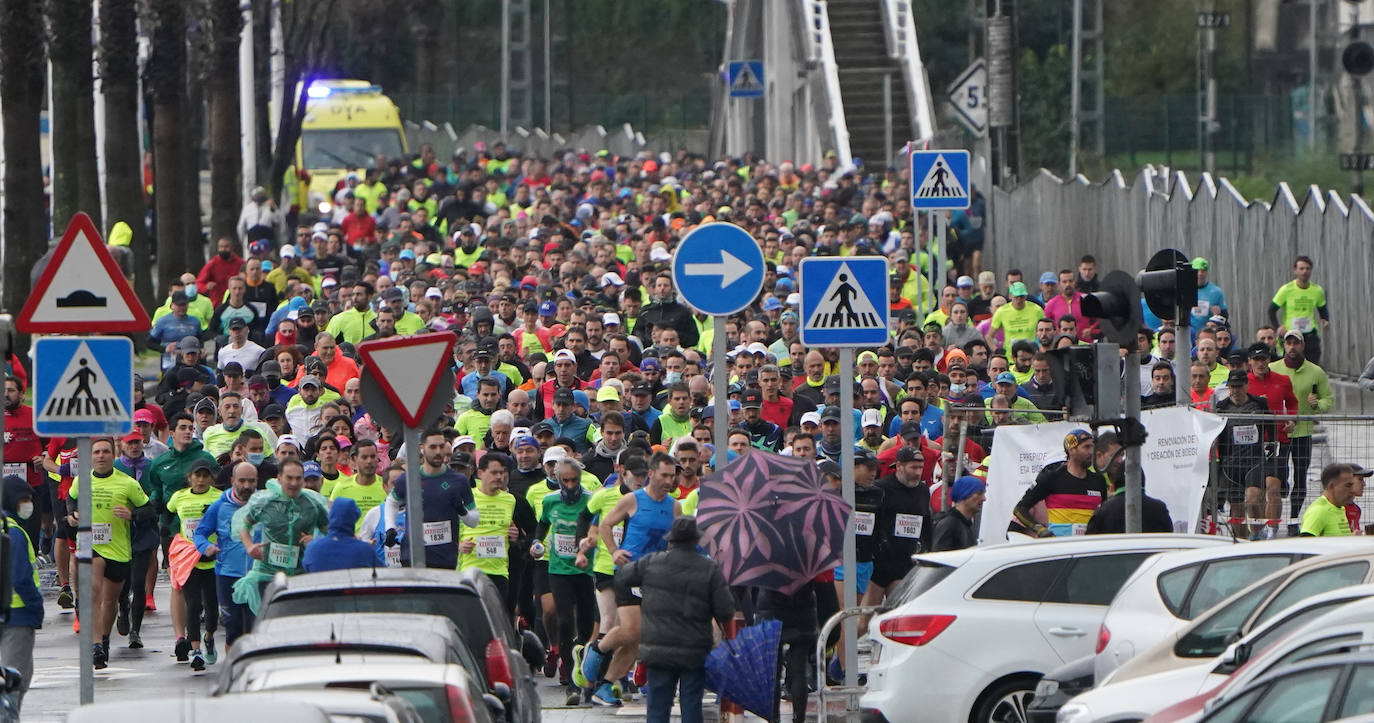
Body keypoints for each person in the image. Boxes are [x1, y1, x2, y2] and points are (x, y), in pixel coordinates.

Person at [582, 451, 682, 706]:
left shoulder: (674, 506)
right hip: (629, 572)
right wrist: (614, 551)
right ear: (651, 474)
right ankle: (597, 649)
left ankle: (605, 684)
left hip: (657, 575)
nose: (669, 480)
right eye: (664, 475)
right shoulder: (632, 499)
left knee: (639, 637)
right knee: (632, 629)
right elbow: (605, 524)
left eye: (672, 476)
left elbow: (677, 539)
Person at [615, 517, 735, 723]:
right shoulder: (709, 569)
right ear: (695, 541)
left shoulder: (652, 562)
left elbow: (623, 577)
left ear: (671, 540)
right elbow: (726, 611)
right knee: (691, 706)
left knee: (657, 709)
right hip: (694, 650)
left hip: (657, 649)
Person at [67, 437, 152, 669]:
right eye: (96, 452)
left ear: (113, 455)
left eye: (106, 451)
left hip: (118, 548)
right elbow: (70, 499)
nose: (101, 455)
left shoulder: (127, 483)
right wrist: (73, 515)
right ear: (90, 456)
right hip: (89, 544)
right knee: (93, 592)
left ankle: (103, 638)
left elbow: (149, 509)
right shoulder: (82, 480)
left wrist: (131, 514)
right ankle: (95, 644)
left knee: (110, 599)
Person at [534, 457, 598, 705]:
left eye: (574, 480)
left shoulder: (590, 500)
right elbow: (541, 527)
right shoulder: (550, 501)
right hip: (558, 569)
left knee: (584, 623)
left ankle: (580, 669)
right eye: (566, 480)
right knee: (563, 620)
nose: (570, 485)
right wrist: (535, 544)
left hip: (584, 570)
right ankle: (570, 680)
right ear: (558, 480)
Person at [382, 428, 480, 569]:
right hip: (413, 556)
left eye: (441, 446)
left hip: (445, 558)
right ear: (422, 448)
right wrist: (390, 528)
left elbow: (474, 521)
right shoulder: (409, 478)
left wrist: (461, 510)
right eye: (433, 447)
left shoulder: (458, 480)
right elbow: (392, 501)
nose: (438, 451)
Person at [193, 461, 258, 647]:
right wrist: (206, 547)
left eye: (251, 481)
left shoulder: (264, 504)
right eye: (242, 481)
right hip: (228, 575)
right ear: (232, 481)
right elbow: (200, 533)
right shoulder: (219, 507)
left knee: (255, 629)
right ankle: (234, 673)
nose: (247, 486)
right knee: (234, 628)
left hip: (258, 575)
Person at [165, 457, 221, 670]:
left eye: (205, 476)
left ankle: (209, 636)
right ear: (189, 478)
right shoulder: (179, 497)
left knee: (212, 609)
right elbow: (168, 514)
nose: (201, 479)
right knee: (193, 605)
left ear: (211, 479)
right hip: (189, 558)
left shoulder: (218, 497)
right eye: (197, 475)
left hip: (213, 558)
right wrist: (171, 534)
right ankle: (196, 650)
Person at [1012, 430, 1107, 537]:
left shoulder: (1098, 480)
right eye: (1086, 447)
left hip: (1088, 546)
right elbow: (1020, 509)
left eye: (1093, 447)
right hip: (1060, 547)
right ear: (1072, 450)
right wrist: (1040, 529)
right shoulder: (1052, 477)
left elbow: (1105, 514)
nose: (1091, 452)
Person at [0, 476, 41, 711]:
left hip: (8, 612)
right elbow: (21, 578)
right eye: (22, 500)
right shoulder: (14, 532)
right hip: (18, 614)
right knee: (16, 681)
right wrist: (36, 607)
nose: (27, 505)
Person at [458, 453, 522, 602]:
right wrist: (459, 545)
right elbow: (454, 528)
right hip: (470, 568)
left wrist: (514, 535)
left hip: (499, 570)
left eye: (502, 472)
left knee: (497, 618)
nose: (499, 477)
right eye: (494, 472)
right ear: (480, 473)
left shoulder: (510, 499)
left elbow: (513, 529)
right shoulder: (466, 496)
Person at [303, 498, 376, 572]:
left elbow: (306, 569)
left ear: (330, 516)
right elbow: (382, 572)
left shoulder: (313, 548)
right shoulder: (364, 550)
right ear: (355, 518)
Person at [1299, 463, 1359, 536]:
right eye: (1348, 485)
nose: (1352, 490)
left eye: (1352, 485)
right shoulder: (1319, 511)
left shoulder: (1339, 508)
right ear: (1331, 486)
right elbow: (1305, 544)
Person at [931, 476, 985, 551]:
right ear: (965, 495)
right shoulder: (949, 524)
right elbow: (938, 558)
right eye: (979, 494)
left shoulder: (967, 523)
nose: (984, 498)